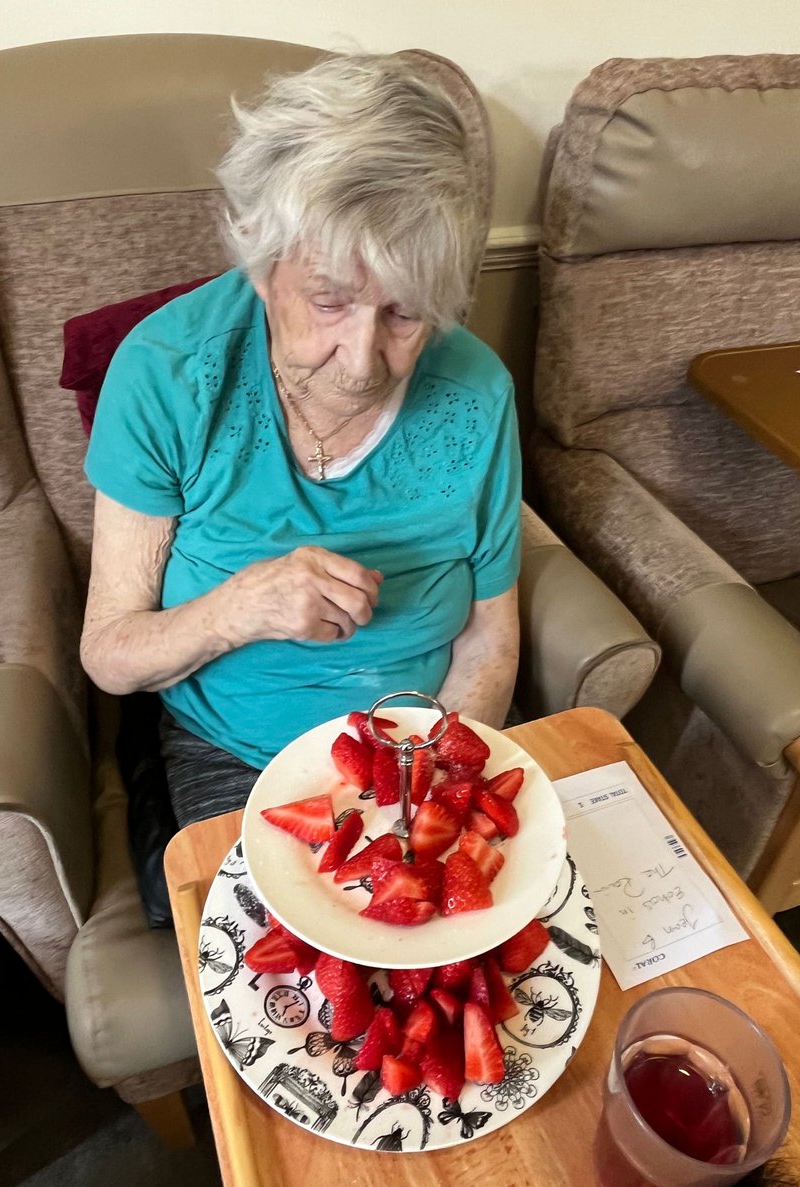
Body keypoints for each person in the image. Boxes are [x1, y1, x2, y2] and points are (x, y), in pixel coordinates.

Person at [81, 53, 522, 828]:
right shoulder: (168, 375)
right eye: (329, 302)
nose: (361, 360)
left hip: (423, 743)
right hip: (236, 755)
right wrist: (239, 608)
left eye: (404, 314)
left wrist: (434, 776)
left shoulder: (476, 390)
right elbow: (110, 655)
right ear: (259, 264)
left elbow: (490, 632)